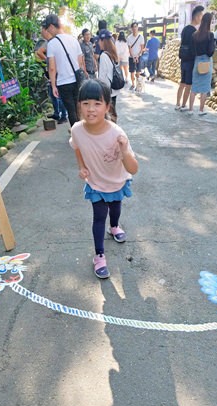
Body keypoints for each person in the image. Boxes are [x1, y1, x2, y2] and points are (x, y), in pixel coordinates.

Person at [69, 79, 138, 279]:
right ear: (79, 105)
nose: (91, 109)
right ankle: (99, 255)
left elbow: (133, 168)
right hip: (96, 184)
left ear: (107, 106)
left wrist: (124, 151)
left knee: (115, 207)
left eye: (97, 104)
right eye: (86, 103)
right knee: (98, 216)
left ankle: (114, 227)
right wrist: (82, 166)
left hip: (117, 181)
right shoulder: (76, 129)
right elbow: (77, 147)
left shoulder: (117, 134)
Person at [42, 13, 87, 127]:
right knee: (79, 107)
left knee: (71, 110)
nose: (47, 31)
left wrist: (53, 85)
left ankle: (77, 135)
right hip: (77, 80)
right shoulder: (73, 39)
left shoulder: (52, 44)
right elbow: (80, 61)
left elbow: (52, 68)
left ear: (52, 26)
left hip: (63, 82)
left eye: (47, 29)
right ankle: (84, 132)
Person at [35, 28, 68, 123]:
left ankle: (63, 115)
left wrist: (48, 60)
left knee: (58, 94)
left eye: (42, 31)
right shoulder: (51, 42)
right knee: (53, 94)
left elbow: (39, 52)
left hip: (55, 72)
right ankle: (58, 113)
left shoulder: (50, 42)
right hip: (52, 72)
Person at [175, 4, 204, 111]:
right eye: (201, 16)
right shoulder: (194, 32)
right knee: (188, 84)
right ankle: (183, 105)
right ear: (197, 17)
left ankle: (177, 103)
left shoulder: (185, 29)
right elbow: (195, 47)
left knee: (182, 83)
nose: (201, 18)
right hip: (191, 60)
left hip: (183, 59)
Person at [189, 12, 215, 116]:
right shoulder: (210, 35)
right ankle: (201, 110)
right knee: (204, 87)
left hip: (197, 61)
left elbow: (192, 50)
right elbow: (210, 51)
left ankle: (190, 109)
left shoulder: (195, 35)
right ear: (209, 22)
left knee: (194, 87)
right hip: (206, 62)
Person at [97, 29, 121, 122]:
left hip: (107, 90)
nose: (98, 43)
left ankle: (112, 133)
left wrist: (100, 91)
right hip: (114, 88)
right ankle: (114, 131)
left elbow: (102, 77)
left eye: (99, 40)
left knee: (108, 114)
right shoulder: (113, 53)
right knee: (112, 112)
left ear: (103, 41)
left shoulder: (104, 55)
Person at [126, 22, 145, 90]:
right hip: (131, 57)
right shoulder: (129, 38)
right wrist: (133, 57)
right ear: (131, 28)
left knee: (138, 72)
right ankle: (133, 84)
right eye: (133, 27)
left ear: (137, 27)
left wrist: (138, 56)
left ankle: (138, 85)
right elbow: (129, 48)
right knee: (132, 72)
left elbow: (142, 48)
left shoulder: (141, 37)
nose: (134, 28)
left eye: (135, 26)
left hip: (139, 56)